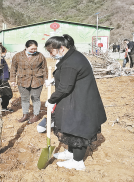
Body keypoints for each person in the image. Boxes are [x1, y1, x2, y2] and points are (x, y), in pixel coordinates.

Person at [44, 34, 107, 170]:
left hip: (81, 100)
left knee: (77, 128)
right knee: (69, 124)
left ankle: (77, 161)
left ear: (61, 48)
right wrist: (55, 80)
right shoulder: (71, 56)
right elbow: (69, 77)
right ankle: (71, 153)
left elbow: (65, 87)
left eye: (51, 51)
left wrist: (51, 100)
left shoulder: (71, 62)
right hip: (76, 96)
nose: (50, 55)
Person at [10, 40, 48, 124]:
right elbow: (13, 69)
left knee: (36, 98)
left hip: (37, 80)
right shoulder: (18, 56)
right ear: (26, 47)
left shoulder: (40, 56)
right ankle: (25, 115)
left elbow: (44, 68)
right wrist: (12, 80)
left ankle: (36, 115)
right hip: (22, 80)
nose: (34, 50)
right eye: (32, 49)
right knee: (24, 99)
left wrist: (46, 79)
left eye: (35, 49)